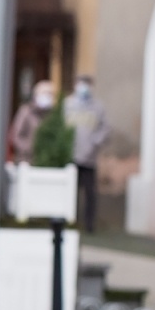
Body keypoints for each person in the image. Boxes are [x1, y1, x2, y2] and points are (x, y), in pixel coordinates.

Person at [64, 75, 109, 233]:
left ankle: (89, 224)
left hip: (89, 158)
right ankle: (70, 221)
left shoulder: (97, 107)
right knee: (70, 191)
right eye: (81, 84)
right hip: (71, 156)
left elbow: (104, 129)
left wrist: (94, 143)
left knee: (90, 193)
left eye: (87, 84)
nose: (84, 87)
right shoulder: (68, 104)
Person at [9, 79, 55, 164]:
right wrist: (31, 148)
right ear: (36, 94)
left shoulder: (53, 115)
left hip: (46, 162)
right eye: (45, 93)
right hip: (26, 161)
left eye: (50, 94)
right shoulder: (26, 111)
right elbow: (16, 136)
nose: (48, 96)